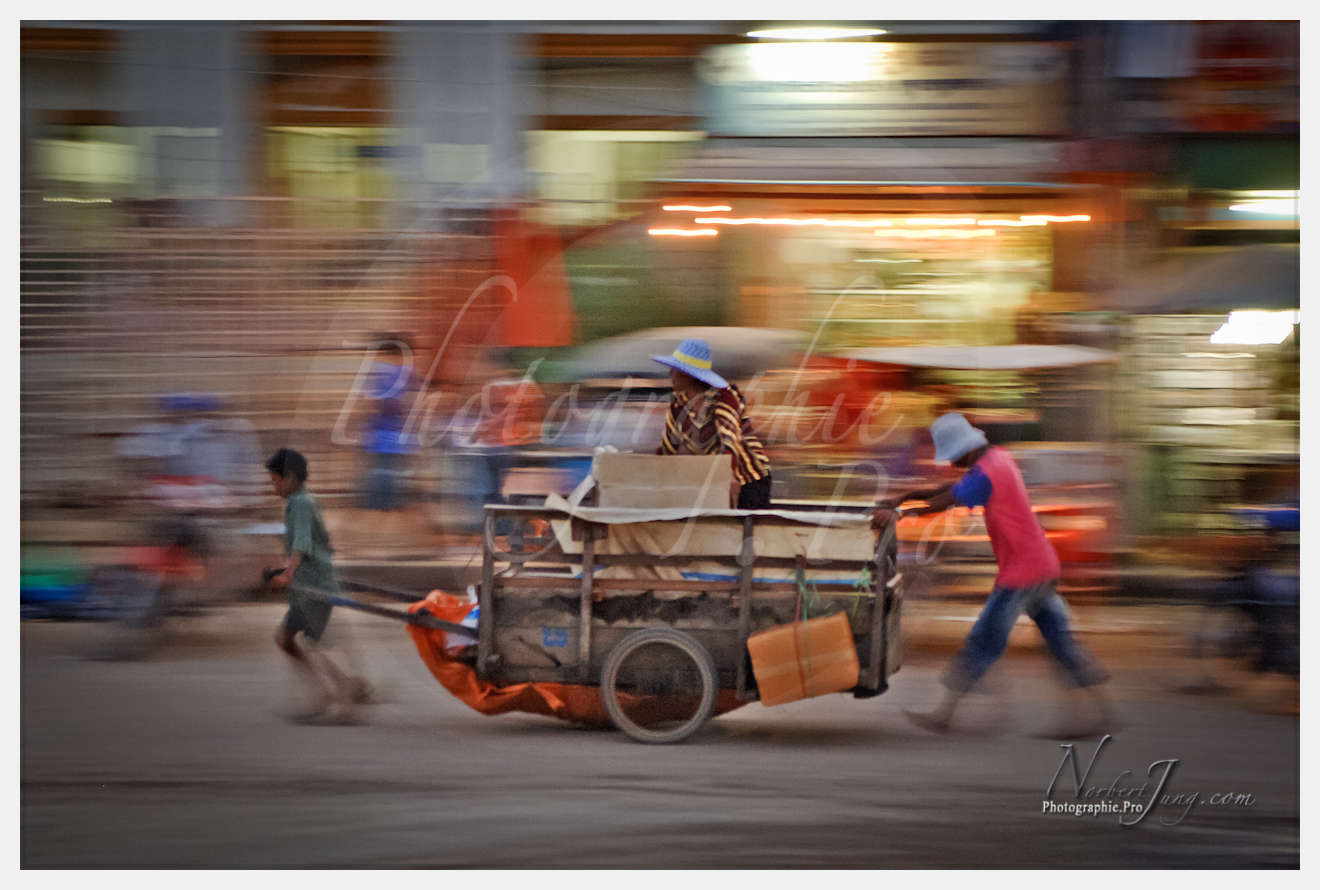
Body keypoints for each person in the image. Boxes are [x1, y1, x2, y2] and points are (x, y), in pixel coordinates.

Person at [875, 413, 1115, 737]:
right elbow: (953, 487)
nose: (952, 463)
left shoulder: (986, 474)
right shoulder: (997, 458)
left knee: (985, 639)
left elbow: (948, 500)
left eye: (953, 457)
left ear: (964, 449)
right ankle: (1100, 712)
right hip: (1042, 565)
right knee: (1059, 640)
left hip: (1021, 573)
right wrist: (902, 499)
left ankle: (945, 714)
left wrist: (899, 512)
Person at [265, 448, 369, 723]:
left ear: (289, 479)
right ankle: (324, 693)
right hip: (306, 586)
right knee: (285, 639)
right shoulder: (303, 501)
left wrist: (286, 575)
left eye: (275, 481)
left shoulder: (300, 503)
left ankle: (344, 695)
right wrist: (287, 572)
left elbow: (302, 543)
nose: (273, 487)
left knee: (316, 643)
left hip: (314, 586)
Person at [652, 338, 772, 509]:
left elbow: (728, 443)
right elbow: (668, 450)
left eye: (675, 370)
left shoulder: (724, 399)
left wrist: (727, 477)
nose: (670, 374)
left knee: (739, 532)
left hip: (749, 479)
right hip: (713, 478)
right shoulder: (679, 405)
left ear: (687, 375)